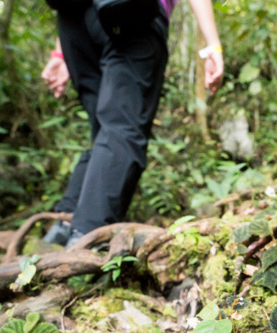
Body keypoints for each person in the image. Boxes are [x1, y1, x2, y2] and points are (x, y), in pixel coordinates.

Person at [40, 0, 223, 247]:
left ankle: (63, 226)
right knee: (121, 128)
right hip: (131, 13)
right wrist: (212, 46)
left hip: (74, 20)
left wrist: (60, 53)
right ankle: (87, 239)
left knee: (105, 132)